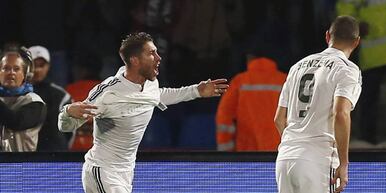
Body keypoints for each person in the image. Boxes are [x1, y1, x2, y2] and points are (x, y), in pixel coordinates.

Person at [58, 32, 228, 193]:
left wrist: (197, 91)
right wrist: (67, 112)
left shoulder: (150, 85)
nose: (159, 58)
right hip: (102, 171)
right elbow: (67, 126)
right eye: (152, 53)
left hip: (125, 173)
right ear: (135, 60)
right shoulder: (108, 94)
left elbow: (159, 95)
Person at [274, 16, 362, 193]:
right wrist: (344, 163)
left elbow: (278, 119)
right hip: (318, 161)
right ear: (356, 42)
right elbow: (341, 114)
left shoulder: (297, 66)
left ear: (328, 36)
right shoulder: (347, 69)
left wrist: (297, 147)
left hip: (285, 159)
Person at [337, 0, 386, 148]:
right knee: (370, 100)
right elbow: (346, 6)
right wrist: (355, 26)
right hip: (374, 52)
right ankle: (367, 142)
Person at [216, 55, 287, 151]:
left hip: (247, 153)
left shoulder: (240, 81)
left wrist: (226, 150)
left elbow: (224, 116)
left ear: (249, 59)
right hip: (279, 152)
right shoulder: (284, 80)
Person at [0, 47, 47, 152]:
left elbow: (15, 122)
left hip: (23, 166)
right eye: (6, 68)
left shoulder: (35, 102)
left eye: (16, 69)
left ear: (25, 74)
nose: (11, 72)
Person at [28, 45, 73, 152]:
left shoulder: (61, 95)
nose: (38, 69)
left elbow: (69, 130)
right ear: (25, 66)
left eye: (42, 65)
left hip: (54, 155)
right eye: (34, 64)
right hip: (22, 157)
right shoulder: (14, 93)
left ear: (48, 66)